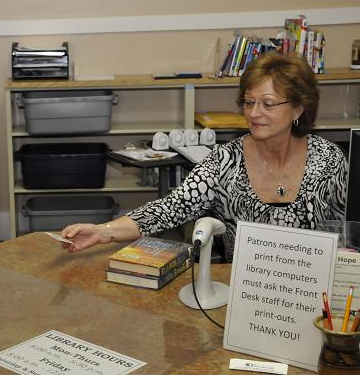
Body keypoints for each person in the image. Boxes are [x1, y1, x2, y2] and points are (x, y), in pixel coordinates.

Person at [61, 52, 347, 259]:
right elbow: (168, 209)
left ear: (298, 109)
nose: (254, 113)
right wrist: (103, 232)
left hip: (314, 296)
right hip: (246, 295)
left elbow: (346, 236)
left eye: (268, 104)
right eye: (249, 102)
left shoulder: (329, 160)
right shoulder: (224, 161)